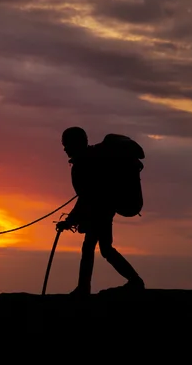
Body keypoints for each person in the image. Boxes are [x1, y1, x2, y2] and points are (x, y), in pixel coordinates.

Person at [55, 126, 145, 297]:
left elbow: (86, 198)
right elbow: (86, 197)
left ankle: (86, 288)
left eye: (66, 144)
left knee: (92, 247)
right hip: (105, 207)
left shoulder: (86, 163)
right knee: (103, 248)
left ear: (76, 143)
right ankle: (133, 281)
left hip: (102, 209)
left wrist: (70, 221)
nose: (65, 148)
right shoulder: (92, 159)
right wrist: (72, 220)